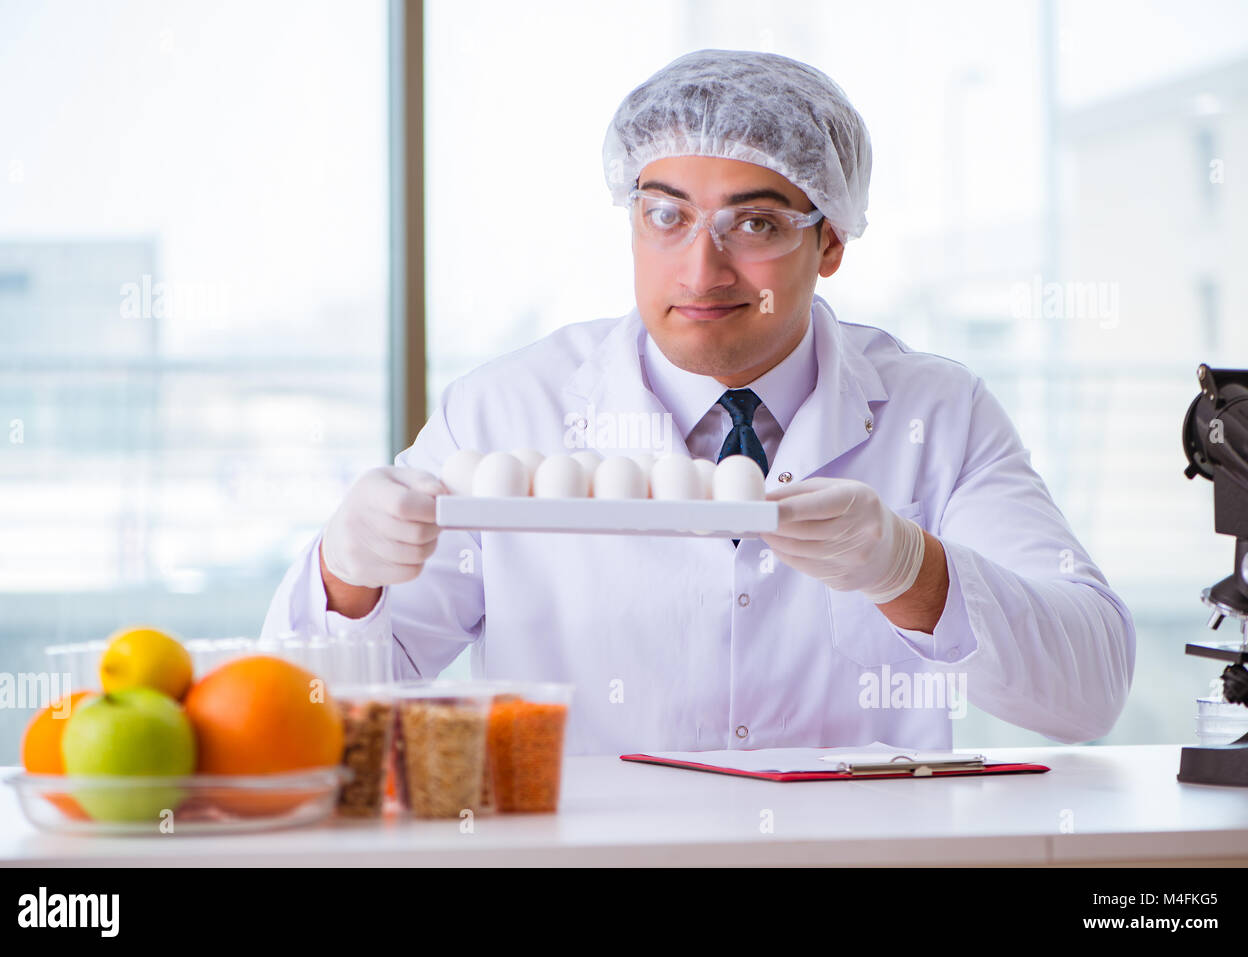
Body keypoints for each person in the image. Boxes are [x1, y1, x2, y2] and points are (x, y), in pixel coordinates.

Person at [262, 49, 1135, 754]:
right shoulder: (500, 413)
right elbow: (305, 709)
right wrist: (345, 577)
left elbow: (1089, 691)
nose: (701, 269)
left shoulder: (936, 413)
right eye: (665, 216)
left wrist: (912, 571)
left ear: (830, 239)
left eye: (753, 224)